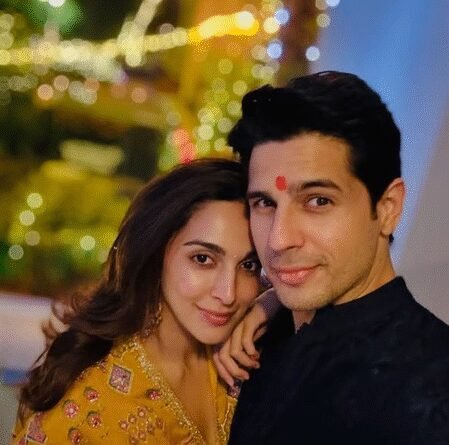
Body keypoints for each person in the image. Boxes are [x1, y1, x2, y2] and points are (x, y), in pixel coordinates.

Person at [216, 71, 449, 444]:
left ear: (387, 208)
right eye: (264, 203)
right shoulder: (257, 333)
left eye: (318, 201)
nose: (278, 240)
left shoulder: (429, 394)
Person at [11, 158, 262, 445]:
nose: (228, 294)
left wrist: (267, 307)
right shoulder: (89, 414)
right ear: (156, 254)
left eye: (249, 265)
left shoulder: (250, 349)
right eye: (203, 259)